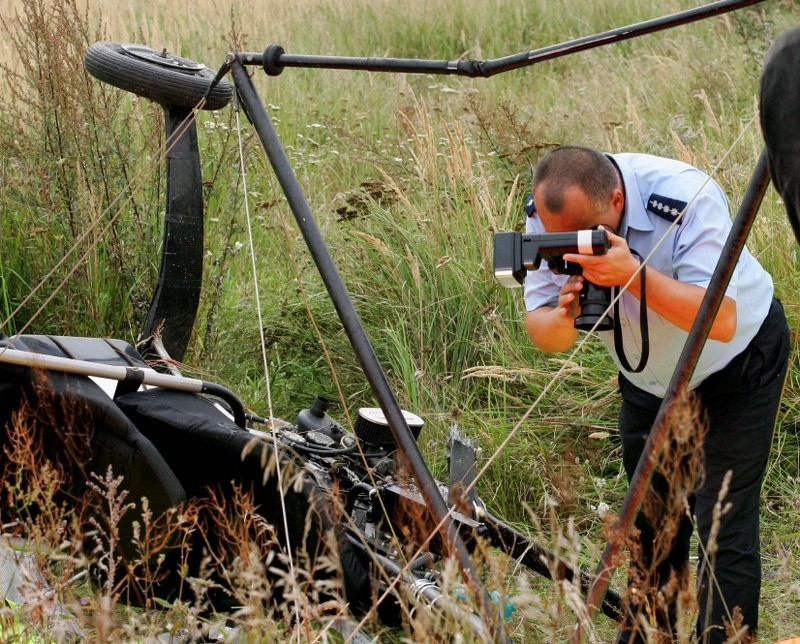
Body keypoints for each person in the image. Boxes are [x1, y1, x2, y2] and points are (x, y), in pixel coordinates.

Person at [523, 145, 789, 642]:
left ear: (618, 200)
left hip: (736, 367)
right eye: (564, 239)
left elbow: (723, 318)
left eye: (590, 236)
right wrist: (560, 319)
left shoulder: (686, 197)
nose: (573, 247)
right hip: (649, 383)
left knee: (721, 525)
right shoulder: (545, 218)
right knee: (651, 525)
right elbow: (542, 331)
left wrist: (631, 276)